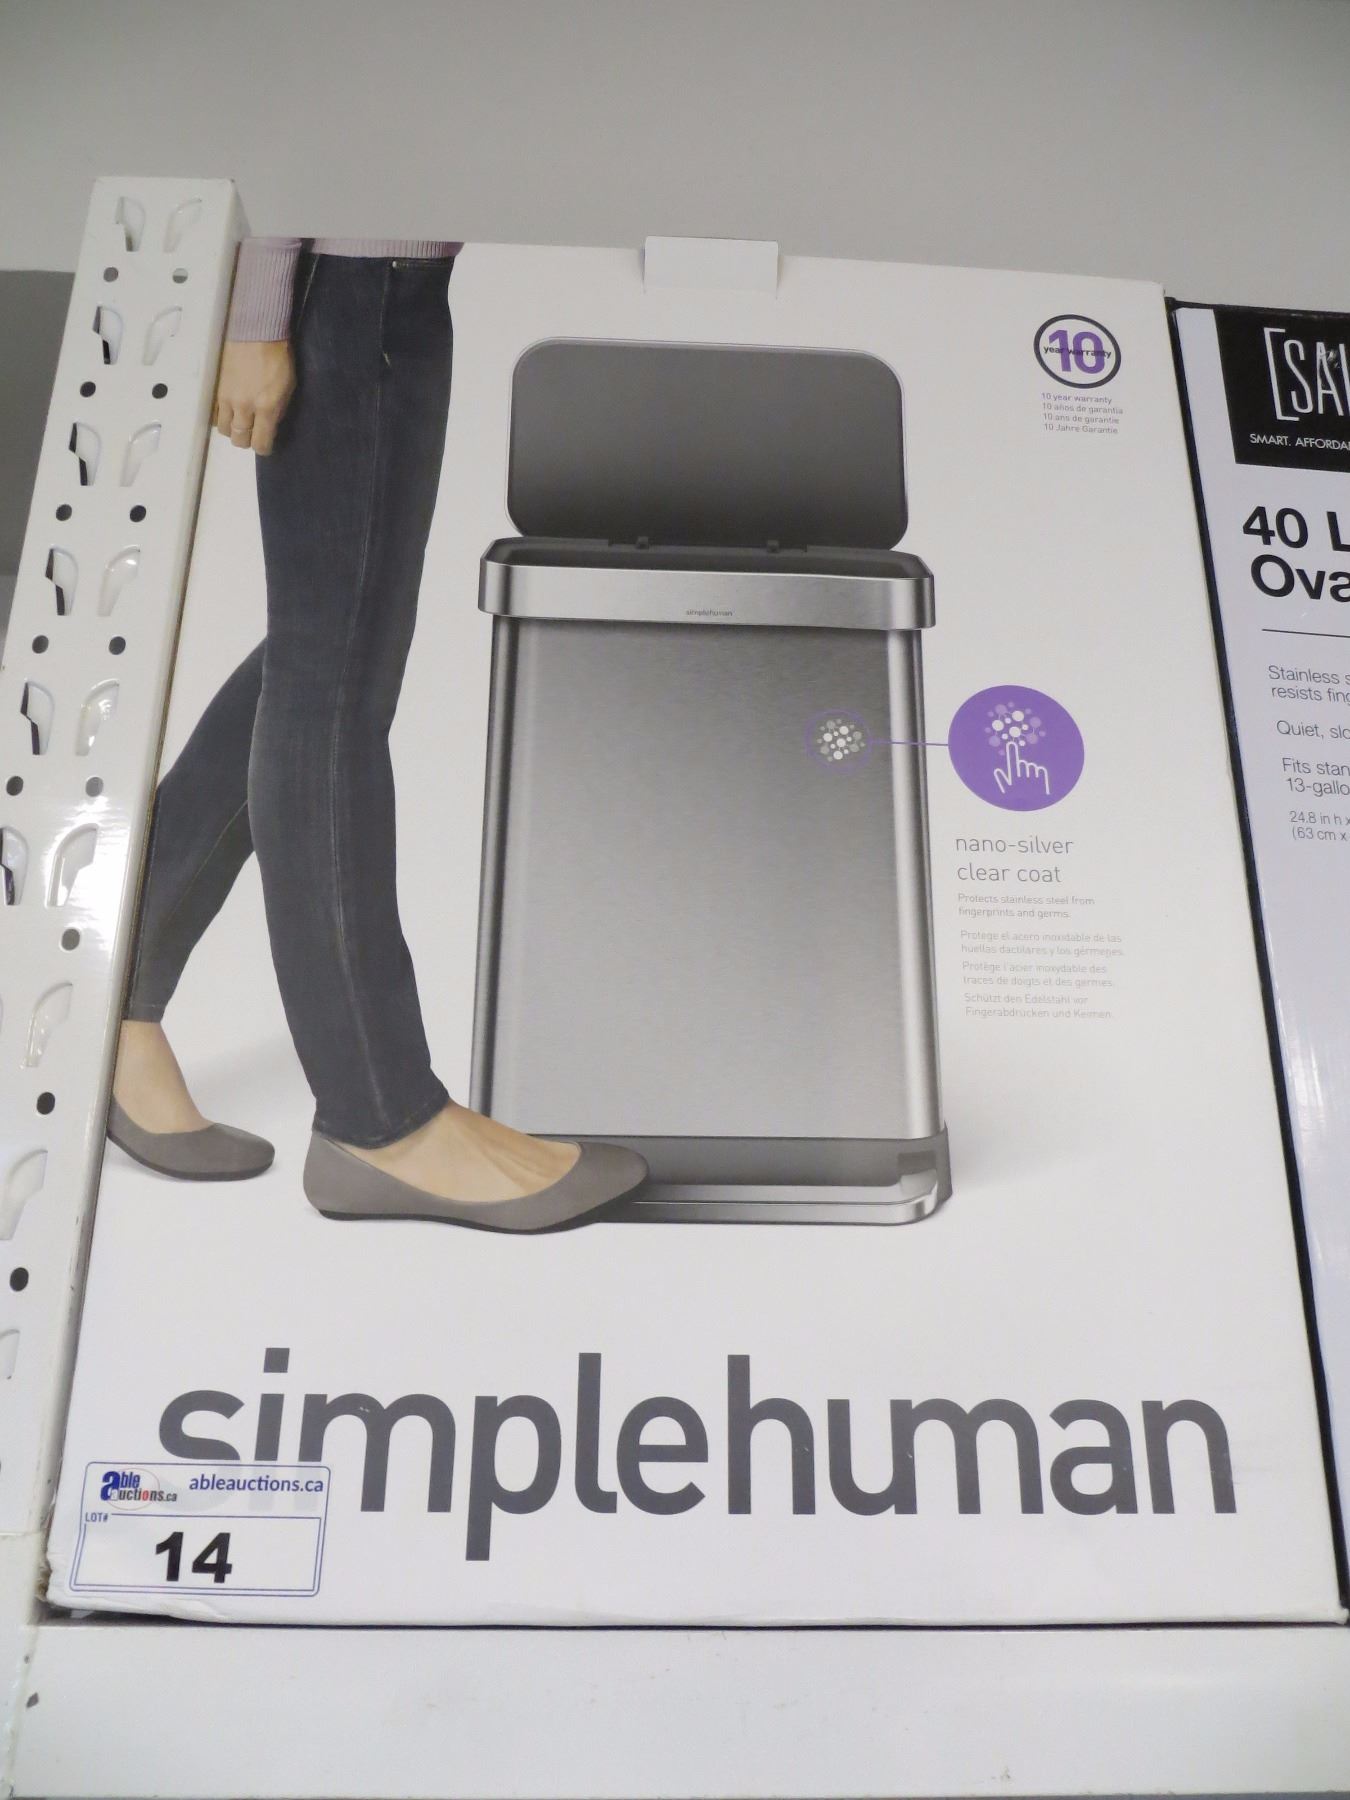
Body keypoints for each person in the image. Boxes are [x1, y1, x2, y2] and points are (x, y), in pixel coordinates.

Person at [109, 237, 646, 1231]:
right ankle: (379, 1119)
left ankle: (112, 994)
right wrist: (258, 314)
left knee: (325, 648)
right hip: (344, 289)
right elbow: (299, 139)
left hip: (394, 286)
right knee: (332, 676)